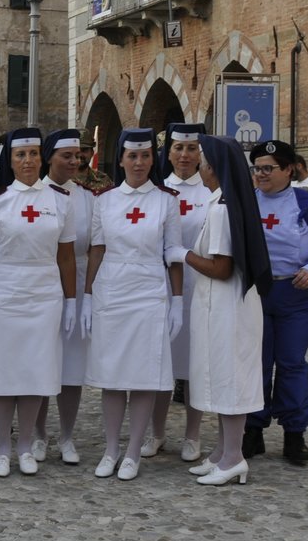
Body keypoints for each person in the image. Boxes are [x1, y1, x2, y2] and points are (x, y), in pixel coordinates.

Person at [0, 127, 78, 476]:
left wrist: (72, 300)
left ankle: (26, 445)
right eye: (20, 155)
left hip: (45, 294)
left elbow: (66, 258)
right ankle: (3, 446)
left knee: (35, 371)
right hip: (3, 291)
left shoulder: (60, 201)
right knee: (3, 373)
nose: (28, 161)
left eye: (33, 154)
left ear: (42, 157)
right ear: (11, 162)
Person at [82, 127, 184, 482]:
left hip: (149, 290)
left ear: (152, 158)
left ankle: (132, 452)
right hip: (112, 287)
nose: (139, 163)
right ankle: (110, 448)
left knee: (143, 376)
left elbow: (173, 254)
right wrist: (87, 295)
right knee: (112, 376)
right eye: (132, 156)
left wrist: (178, 301)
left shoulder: (166, 200)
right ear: (121, 159)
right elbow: (97, 248)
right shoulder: (104, 200)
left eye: (145, 156)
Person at [183, 136, 273, 486]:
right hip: (223, 306)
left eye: (203, 162)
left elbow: (221, 267)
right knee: (220, 376)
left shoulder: (222, 209)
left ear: (215, 169)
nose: (199, 167)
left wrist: (183, 255)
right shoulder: (224, 201)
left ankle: (234, 456)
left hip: (227, 306)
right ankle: (223, 451)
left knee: (230, 378)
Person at [247, 139, 308, 464]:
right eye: (257, 168)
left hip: (296, 294)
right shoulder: (246, 202)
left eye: (268, 168)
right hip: (256, 293)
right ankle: (252, 430)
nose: (261, 174)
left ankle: (294, 434)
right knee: (256, 363)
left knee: (291, 362)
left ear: (288, 169)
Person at [146, 124, 214, 462]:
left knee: (194, 365)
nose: (184, 156)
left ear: (201, 153)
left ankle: (192, 434)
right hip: (161, 289)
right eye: (178, 149)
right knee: (161, 364)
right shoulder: (157, 192)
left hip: (200, 288)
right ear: (168, 152)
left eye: (191, 149)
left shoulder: (212, 194)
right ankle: (156, 432)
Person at [34, 128, 96, 465]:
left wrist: (85, 296)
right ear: (49, 157)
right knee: (43, 360)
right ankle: (39, 433)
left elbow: (94, 245)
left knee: (72, 366)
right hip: (42, 282)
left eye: (78, 155)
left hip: (79, 279)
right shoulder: (35, 194)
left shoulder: (87, 197)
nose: (75, 161)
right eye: (67, 156)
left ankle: (67, 435)